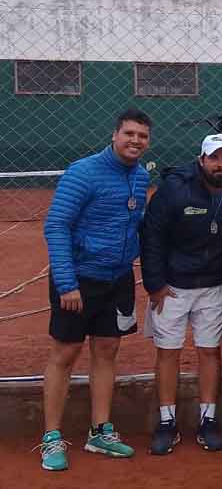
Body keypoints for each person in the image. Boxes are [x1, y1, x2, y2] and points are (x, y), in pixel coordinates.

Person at [38, 108, 152, 471]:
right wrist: (67, 284)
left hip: (117, 280)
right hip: (78, 280)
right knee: (66, 354)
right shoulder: (83, 172)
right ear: (115, 135)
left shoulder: (139, 177)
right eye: (129, 134)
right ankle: (51, 438)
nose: (135, 141)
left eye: (142, 136)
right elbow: (56, 225)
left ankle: (100, 432)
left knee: (107, 350)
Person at [140, 133, 222, 454]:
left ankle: (208, 419)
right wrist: (155, 285)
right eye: (214, 158)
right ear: (201, 160)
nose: (220, 165)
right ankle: (166, 421)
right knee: (168, 352)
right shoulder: (174, 190)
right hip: (172, 288)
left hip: (215, 287)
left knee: (209, 351)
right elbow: (152, 236)